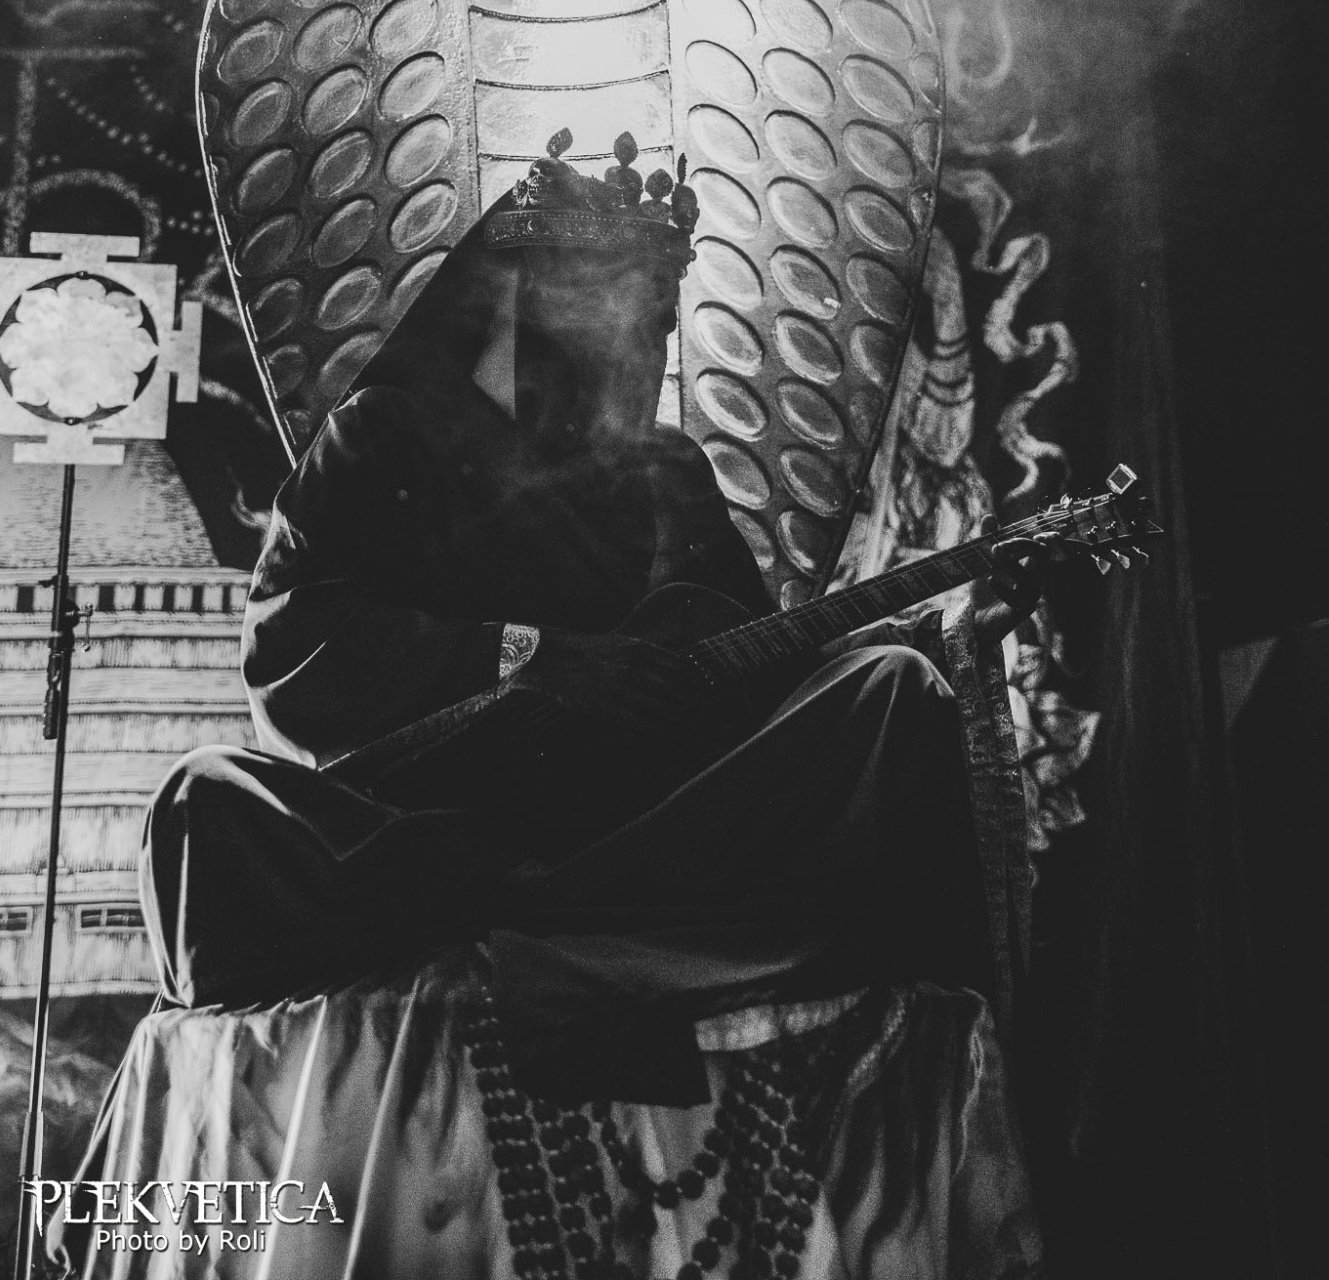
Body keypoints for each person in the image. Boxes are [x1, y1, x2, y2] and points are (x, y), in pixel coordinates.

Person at [143, 133, 995, 1106]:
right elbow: (298, 647)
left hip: (643, 830)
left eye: (660, 324)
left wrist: (918, 638)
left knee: (889, 689)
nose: (648, 354)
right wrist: (529, 656)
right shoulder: (384, 437)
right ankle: (573, 921)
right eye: (624, 320)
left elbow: (760, 685)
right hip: (424, 834)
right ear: (535, 313)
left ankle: (590, 915)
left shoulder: (668, 475)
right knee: (202, 803)